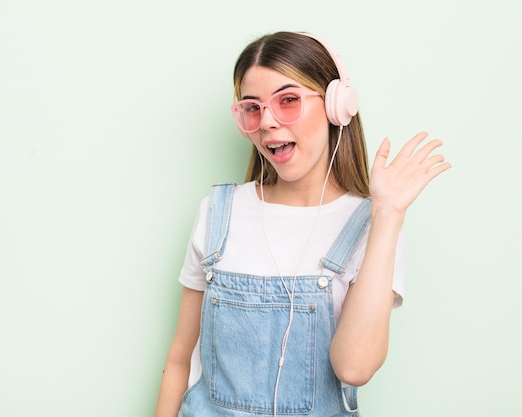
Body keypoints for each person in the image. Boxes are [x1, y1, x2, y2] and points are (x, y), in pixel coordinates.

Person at [155, 31, 451, 417]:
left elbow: (354, 367)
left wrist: (389, 214)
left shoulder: (372, 224)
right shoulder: (217, 213)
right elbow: (179, 360)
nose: (268, 123)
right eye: (253, 108)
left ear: (336, 107)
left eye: (289, 100)